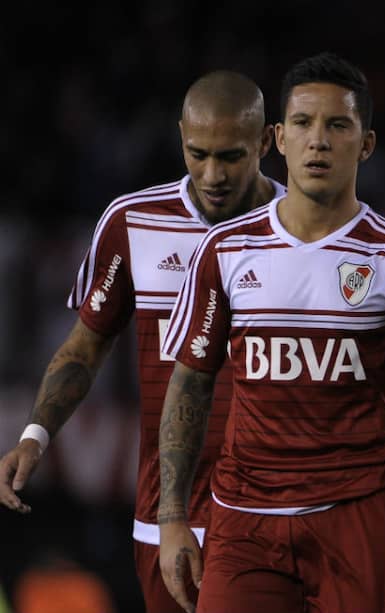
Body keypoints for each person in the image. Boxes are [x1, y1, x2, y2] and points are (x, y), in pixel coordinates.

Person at [156, 51, 385, 613]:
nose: (318, 140)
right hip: (243, 521)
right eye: (303, 123)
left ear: (365, 144)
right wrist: (173, 519)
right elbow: (190, 385)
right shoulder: (224, 250)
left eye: (337, 125)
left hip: (358, 518)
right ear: (277, 137)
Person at [0, 70, 283, 612]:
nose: (212, 174)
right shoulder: (133, 222)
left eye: (230, 156)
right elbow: (86, 347)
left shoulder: (303, 233)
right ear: (180, 136)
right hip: (168, 512)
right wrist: (35, 436)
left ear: (266, 142)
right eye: (198, 153)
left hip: (276, 509)